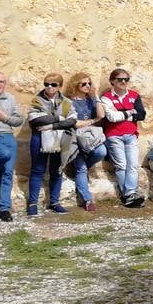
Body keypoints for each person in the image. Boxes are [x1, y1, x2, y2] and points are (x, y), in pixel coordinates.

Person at [26, 72, 78, 216]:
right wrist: (59, 118)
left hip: (60, 138)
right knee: (37, 170)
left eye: (53, 85)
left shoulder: (67, 102)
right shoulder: (37, 100)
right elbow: (35, 120)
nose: (49, 87)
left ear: (59, 86)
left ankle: (54, 202)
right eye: (46, 84)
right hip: (39, 138)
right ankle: (32, 203)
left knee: (57, 170)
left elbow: (72, 121)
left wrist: (51, 125)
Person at [101, 67, 146, 207]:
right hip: (114, 135)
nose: (123, 82)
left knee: (132, 165)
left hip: (131, 134)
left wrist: (122, 113)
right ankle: (129, 195)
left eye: (126, 79)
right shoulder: (106, 97)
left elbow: (141, 115)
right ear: (112, 81)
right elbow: (111, 118)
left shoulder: (134, 95)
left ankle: (129, 194)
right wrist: (130, 112)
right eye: (120, 79)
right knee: (121, 165)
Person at [64, 73, 107, 212]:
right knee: (81, 168)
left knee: (101, 152)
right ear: (76, 85)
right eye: (84, 84)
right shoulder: (68, 101)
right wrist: (92, 121)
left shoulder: (91, 100)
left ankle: (78, 173)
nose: (87, 86)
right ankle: (87, 200)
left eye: (89, 83)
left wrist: (96, 96)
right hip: (74, 138)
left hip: (90, 138)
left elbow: (101, 115)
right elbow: (75, 123)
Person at [0, 71, 24, 221]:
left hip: (8, 136)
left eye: (2, 81)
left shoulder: (10, 98)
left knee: (8, 173)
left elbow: (19, 120)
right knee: (4, 154)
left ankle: (4, 208)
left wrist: (5, 118)